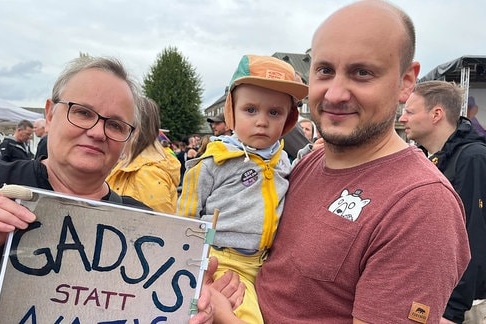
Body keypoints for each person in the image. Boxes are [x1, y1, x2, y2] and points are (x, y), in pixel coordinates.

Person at [199, 1, 471, 323]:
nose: (335, 94)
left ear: (405, 82)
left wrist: (221, 315)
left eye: (362, 73)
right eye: (325, 70)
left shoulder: (421, 205)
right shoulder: (302, 166)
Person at [0, 56, 180, 323]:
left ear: (127, 140)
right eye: (83, 112)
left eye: (116, 125)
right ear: (49, 114)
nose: (98, 132)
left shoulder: (143, 228)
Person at [178, 54, 308, 323]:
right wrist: (190, 264)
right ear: (231, 112)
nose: (262, 121)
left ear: (288, 119)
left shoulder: (283, 160)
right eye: (250, 110)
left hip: (265, 263)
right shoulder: (215, 161)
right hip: (223, 260)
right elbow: (184, 217)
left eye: (274, 112)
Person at [399, 80, 486, 324]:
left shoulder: (472, 159)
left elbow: (473, 237)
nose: (403, 118)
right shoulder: (432, 160)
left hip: (467, 306)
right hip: (439, 298)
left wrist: (452, 310)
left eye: (410, 111)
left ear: (436, 114)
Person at [107, 96, 181, 214]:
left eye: (117, 125)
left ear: (135, 130)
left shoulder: (148, 174)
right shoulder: (130, 167)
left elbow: (157, 227)